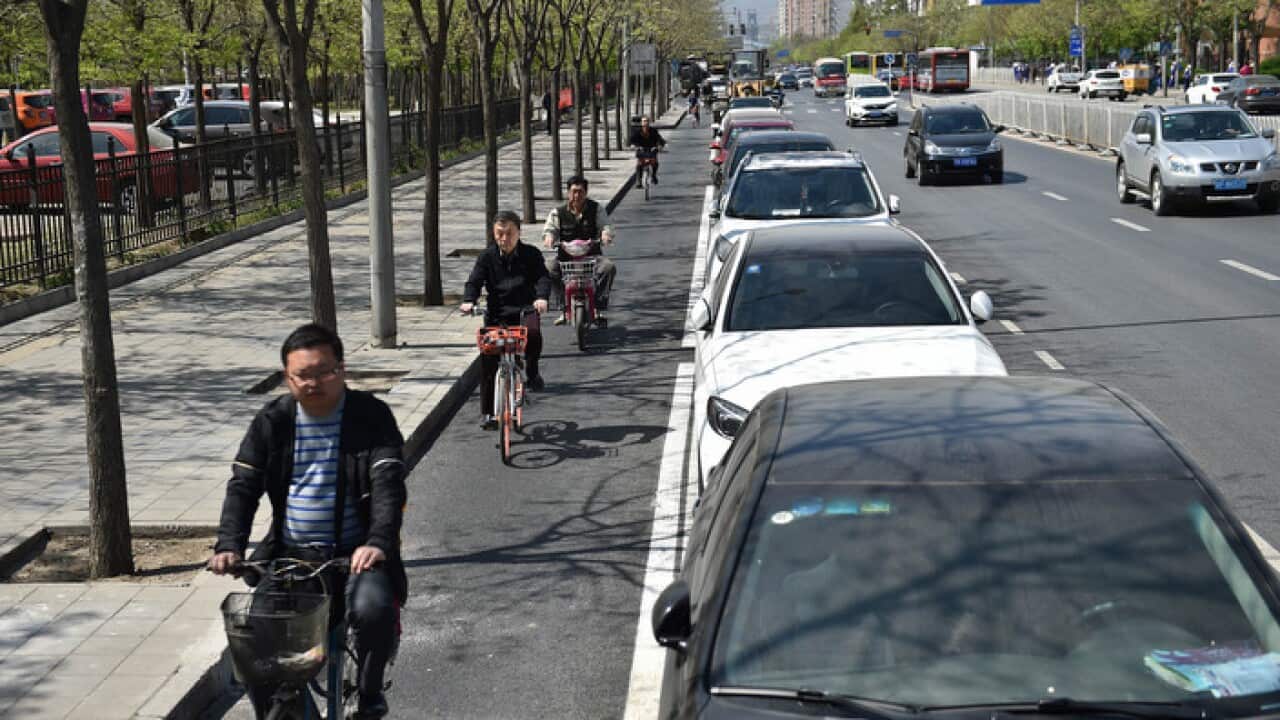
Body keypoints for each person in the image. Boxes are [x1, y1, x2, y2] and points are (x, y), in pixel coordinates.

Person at [209, 323, 406, 720]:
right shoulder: (273, 421)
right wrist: (230, 544)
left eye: (324, 371)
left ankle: (368, 694)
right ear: (288, 377)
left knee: (373, 610)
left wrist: (378, 542)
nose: (314, 382)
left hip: (356, 555)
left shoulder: (371, 416)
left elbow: (387, 483)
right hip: (291, 556)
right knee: (253, 643)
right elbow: (243, 486)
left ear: (341, 369)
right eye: (303, 375)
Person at [461, 210, 550, 427]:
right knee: (488, 359)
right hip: (497, 314)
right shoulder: (487, 257)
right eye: (499, 234)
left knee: (534, 335)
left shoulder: (531, 254)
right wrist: (469, 300)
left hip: (525, 311)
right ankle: (488, 413)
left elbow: (542, 278)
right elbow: (474, 281)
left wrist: (541, 298)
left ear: (519, 232)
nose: (504, 239)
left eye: (509, 233)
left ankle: (532, 370)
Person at [542, 175, 618, 325]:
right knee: (548, 267)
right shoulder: (558, 212)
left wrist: (605, 234)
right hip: (566, 258)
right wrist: (549, 237)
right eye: (574, 191)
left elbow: (606, 225)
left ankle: (598, 307)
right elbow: (549, 229)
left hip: (592, 256)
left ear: (586, 192)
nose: (577, 195)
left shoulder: (596, 209)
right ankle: (563, 308)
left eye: (580, 191)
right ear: (568, 192)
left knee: (609, 267)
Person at [628, 115, 667, 184]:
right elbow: (632, 140)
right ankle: (639, 180)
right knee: (639, 164)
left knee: (655, 163)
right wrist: (635, 146)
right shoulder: (637, 132)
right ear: (641, 123)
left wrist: (660, 146)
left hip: (651, 150)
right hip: (641, 150)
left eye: (647, 121)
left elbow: (660, 139)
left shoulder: (653, 131)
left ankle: (653, 176)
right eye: (644, 121)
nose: (645, 123)